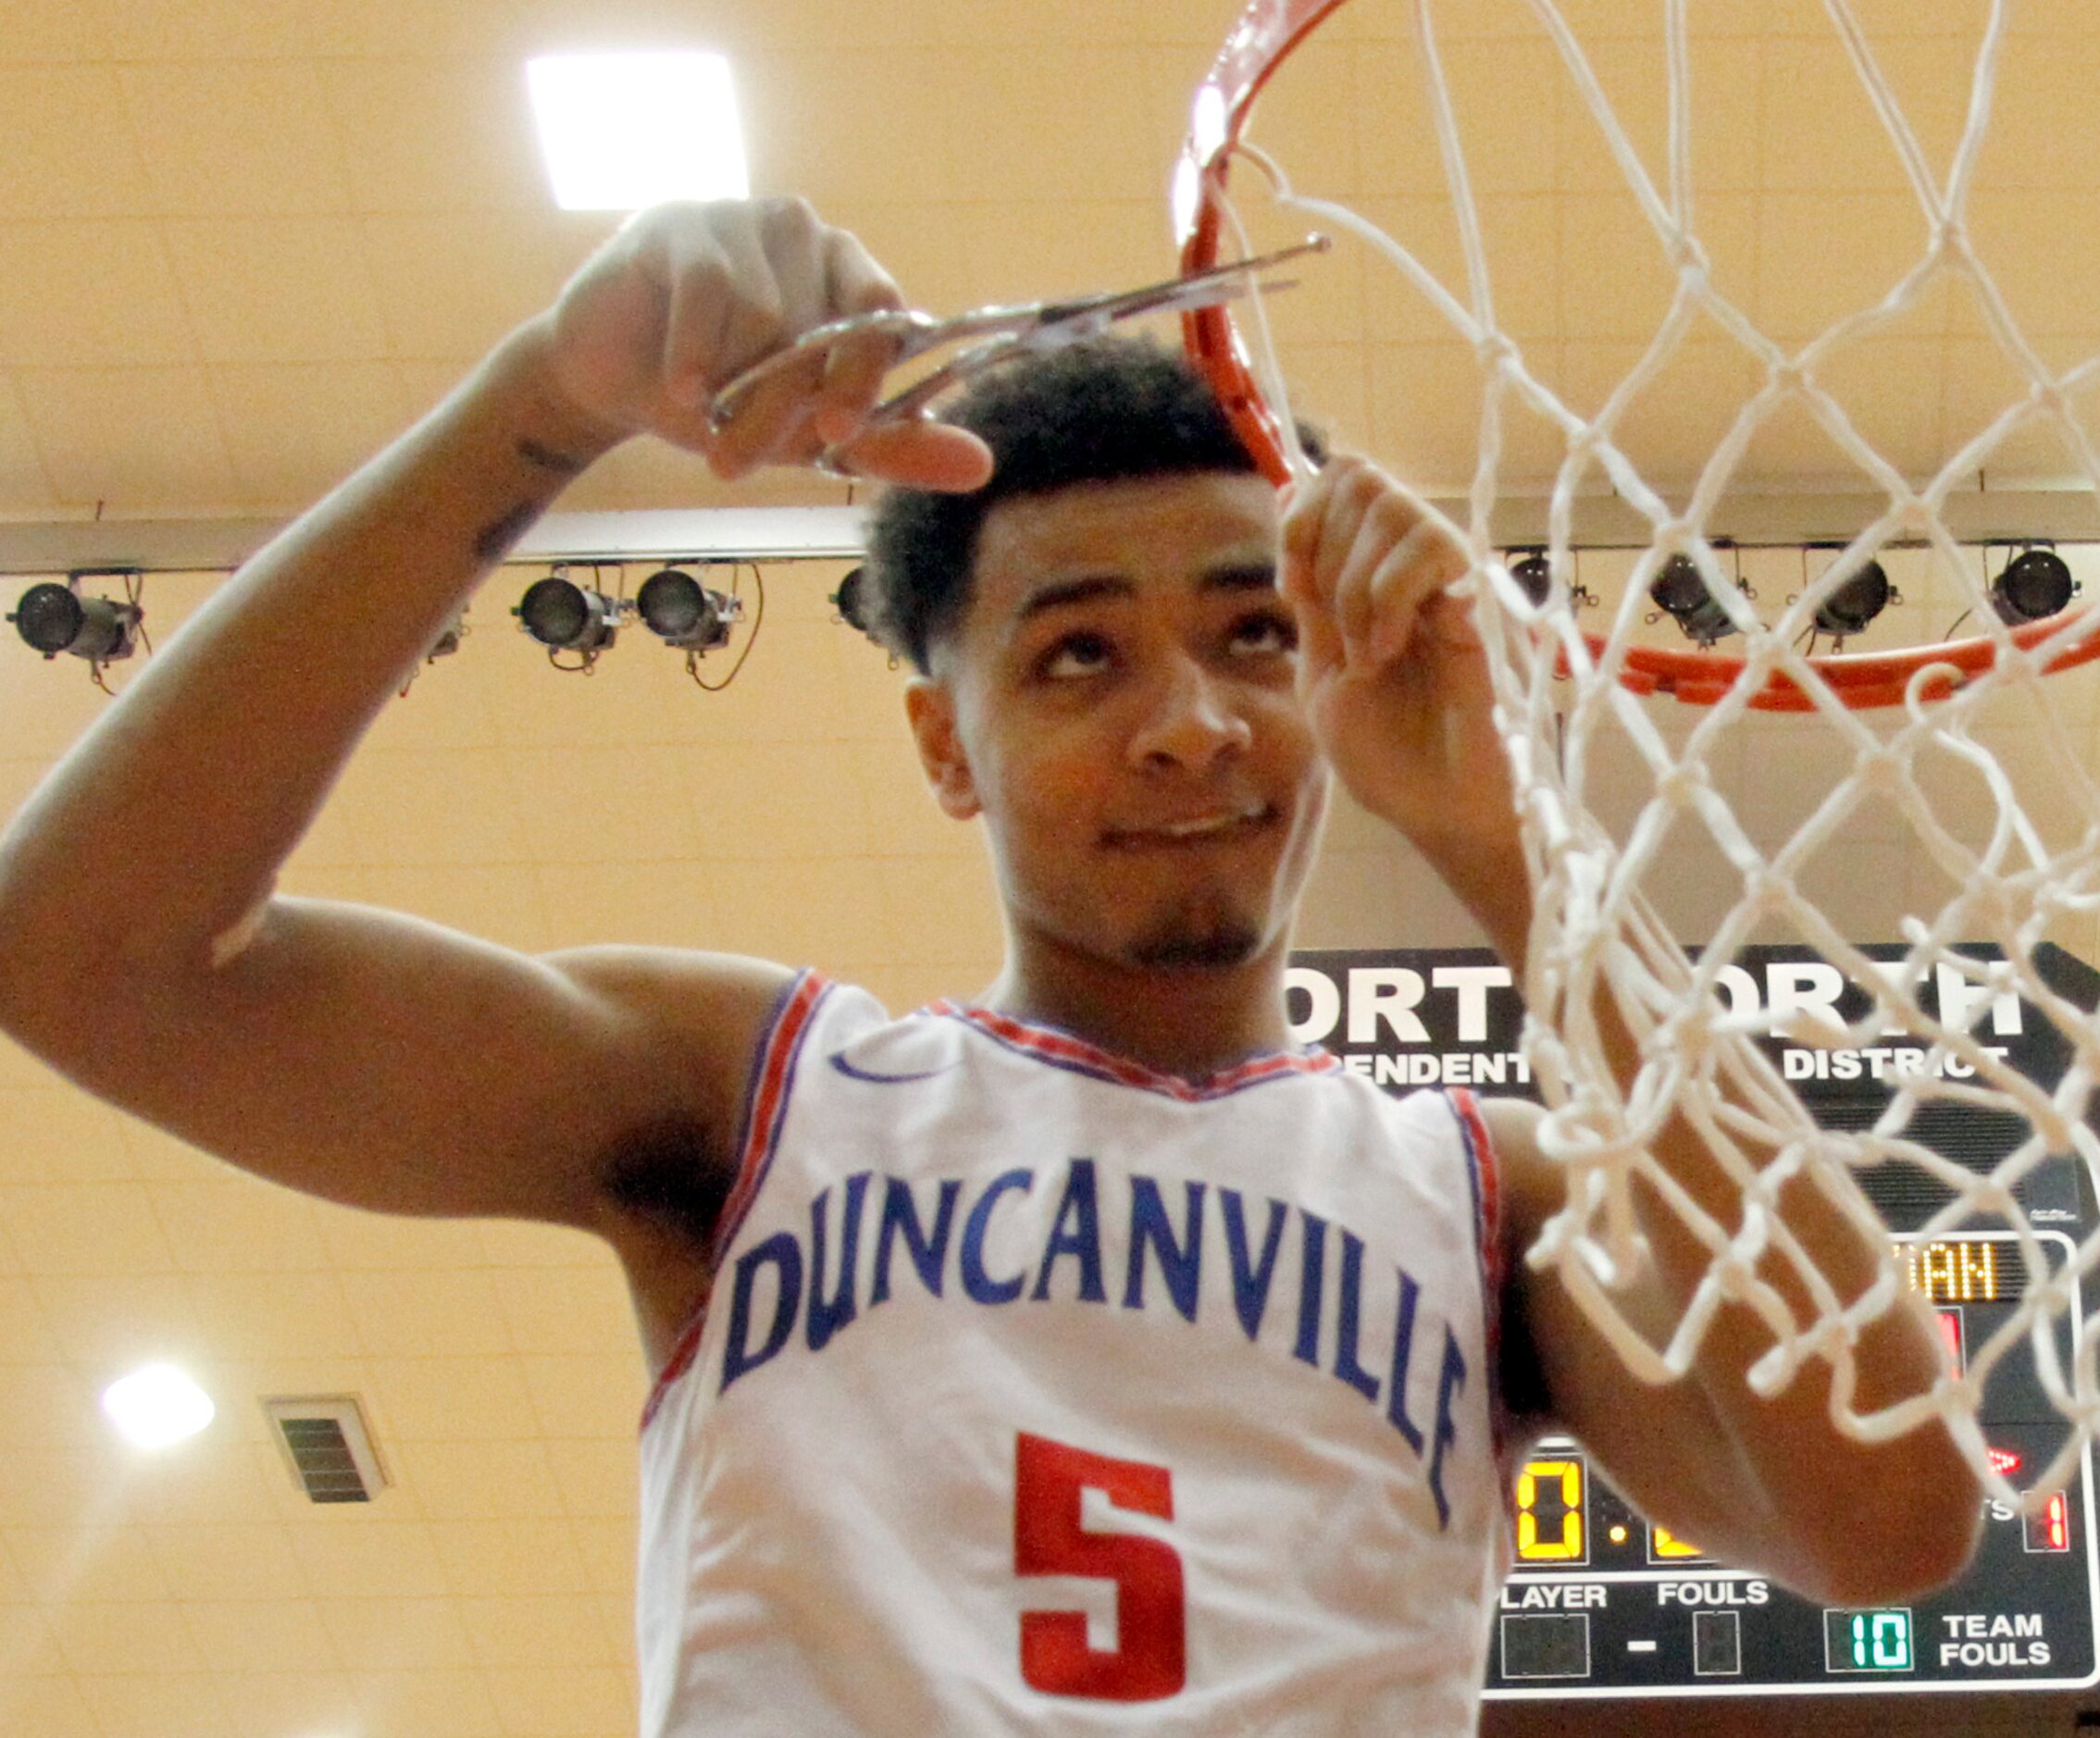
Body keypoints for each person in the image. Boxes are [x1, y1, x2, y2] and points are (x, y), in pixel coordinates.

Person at [0, 197, 1976, 1733]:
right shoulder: (752, 1096)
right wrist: (540, 404)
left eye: (1250, 633)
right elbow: (93, 958)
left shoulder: (1481, 1195)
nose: (1190, 720)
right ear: (942, 743)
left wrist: (1511, 849)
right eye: (1076, 655)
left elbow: (1890, 1520)